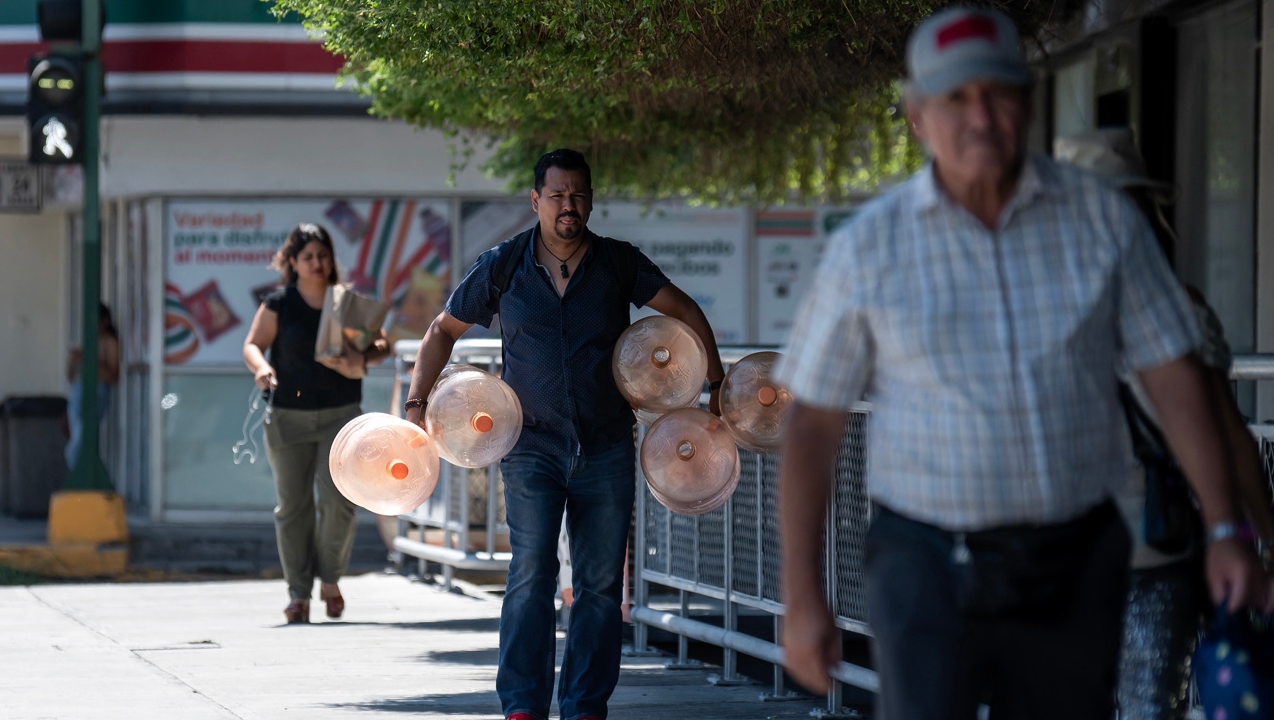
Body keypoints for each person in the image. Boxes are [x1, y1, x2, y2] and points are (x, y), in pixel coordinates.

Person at [774, 8, 1269, 720]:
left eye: (999, 92)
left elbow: (1176, 376)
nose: (980, 115)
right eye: (955, 98)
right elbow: (811, 428)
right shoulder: (867, 250)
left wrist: (1226, 529)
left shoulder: (1102, 223)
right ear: (917, 117)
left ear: (1028, 102)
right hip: (925, 565)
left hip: (1073, 561)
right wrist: (801, 599)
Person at [403, 148, 725, 720]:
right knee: (530, 573)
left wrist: (718, 380)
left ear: (591, 199)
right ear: (536, 201)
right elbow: (440, 331)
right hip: (529, 447)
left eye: (577, 193)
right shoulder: (503, 264)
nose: (567, 205)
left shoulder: (619, 263)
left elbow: (684, 309)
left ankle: (583, 707)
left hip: (605, 445)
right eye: (556, 195)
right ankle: (523, 705)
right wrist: (415, 402)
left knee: (601, 586)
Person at [1055, 128, 1274, 720]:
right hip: (1147, 553)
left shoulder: (1035, 312)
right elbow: (1231, 439)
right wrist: (1258, 541)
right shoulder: (1181, 306)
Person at [242, 222, 389, 624]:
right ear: (292, 262)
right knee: (293, 507)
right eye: (307, 257)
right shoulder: (279, 303)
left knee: (339, 501)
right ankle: (298, 594)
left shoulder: (345, 303)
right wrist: (262, 368)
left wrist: (362, 359)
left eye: (322, 255)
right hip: (287, 417)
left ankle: (330, 579)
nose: (317, 263)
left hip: (340, 418)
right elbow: (253, 344)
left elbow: (382, 344)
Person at [65, 303, 120, 470]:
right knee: (79, 439)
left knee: (78, 444)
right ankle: (86, 478)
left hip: (96, 392)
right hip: (77, 392)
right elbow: (70, 377)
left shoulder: (109, 342)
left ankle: (84, 479)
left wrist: (87, 358)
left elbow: (113, 377)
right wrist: (72, 362)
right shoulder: (89, 341)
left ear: (104, 321)